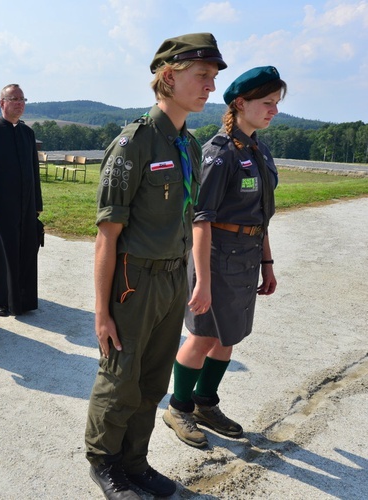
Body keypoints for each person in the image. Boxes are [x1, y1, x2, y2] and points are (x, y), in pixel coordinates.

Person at [84, 33, 226, 500]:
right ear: (168, 76)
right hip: (134, 280)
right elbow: (107, 234)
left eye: (213, 77)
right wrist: (102, 311)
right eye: (202, 75)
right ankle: (105, 463)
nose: (210, 86)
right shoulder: (134, 143)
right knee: (120, 375)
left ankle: (135, 461)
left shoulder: (187, 144)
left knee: (152, 379)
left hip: (170, 278)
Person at [163, 67, 285, 449]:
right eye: (267, 103)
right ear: (240, 103)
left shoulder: (257, 149)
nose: (273, 111)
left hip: (246, 258)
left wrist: (267, 263)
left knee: (227, 336)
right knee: (202, 336)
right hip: (215, 259)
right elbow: (201, 218)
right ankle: (178, 407)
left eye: (277, 104)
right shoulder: (219, 152)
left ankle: (205, 403)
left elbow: (261, 215)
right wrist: (202, 280)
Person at [0, 83, 43, 317]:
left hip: (25, 206)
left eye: (23, 99)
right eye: (14, 99)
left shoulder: (27, 133)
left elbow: (34, 173)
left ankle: (22, 297)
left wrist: (36, 206)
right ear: (2, 103)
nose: (20, 104)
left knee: (25, 252)